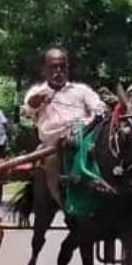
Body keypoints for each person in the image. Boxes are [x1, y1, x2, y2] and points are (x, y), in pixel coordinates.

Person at [22, 47, 107, 204]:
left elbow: (98, 106)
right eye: (53, 67)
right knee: (52, 159)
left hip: (84, 138)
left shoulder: (81, 91)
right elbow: (28, 109)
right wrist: (36, 102)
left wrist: (99, 111)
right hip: (54, 145)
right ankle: (63, 201)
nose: (58, 71)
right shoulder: (37, 92)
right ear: (44, 70)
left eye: (62, 66)